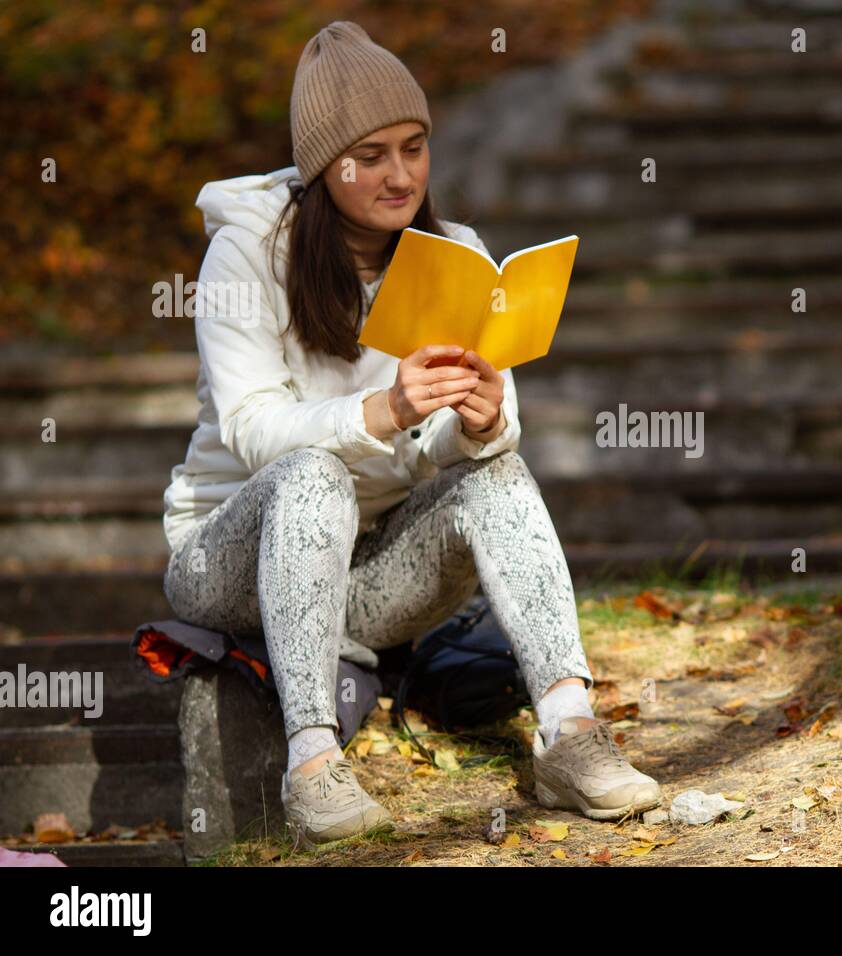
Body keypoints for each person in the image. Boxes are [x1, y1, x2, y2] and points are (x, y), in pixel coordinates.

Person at [160, 20, 661, 846]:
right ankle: (314, 766)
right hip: (231, 560)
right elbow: (252, 431)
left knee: (498, 470)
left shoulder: (452, 253)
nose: (400, 175)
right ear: (325, 165)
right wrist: (385, 408)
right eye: (371, 156)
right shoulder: (246, 253)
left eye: (415, 147)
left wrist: (482, 422)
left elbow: (440, 456)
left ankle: (570, 736)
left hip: (376, 571)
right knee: (310, 474)